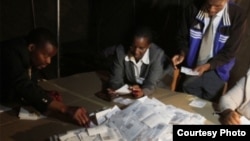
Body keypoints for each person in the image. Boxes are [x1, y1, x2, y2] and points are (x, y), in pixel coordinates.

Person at [0, 27, 89, 126]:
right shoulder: (10, 53)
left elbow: (29, 82)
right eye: (45, 55)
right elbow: (22, 85)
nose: (48, 61)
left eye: (51, 57)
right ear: (31, 48)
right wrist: (64, 108)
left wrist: (44, 94)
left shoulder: (29, 55)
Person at [172, 0, 246, 101]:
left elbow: (230, 51)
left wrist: (208, 66)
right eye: (208, 4)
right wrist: (182, 53)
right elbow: (182, 37)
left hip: (218, 69)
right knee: (186, 100)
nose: (211, 9)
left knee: (208, 105)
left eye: (217, 6)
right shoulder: (192, 8)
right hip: (193, 67)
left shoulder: (237, 15)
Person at [106, 27, 168, 99]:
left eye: (141, 48)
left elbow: (151, 83)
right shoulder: (120, 51)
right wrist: (124, 89)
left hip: (156, 90)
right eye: (133, 46)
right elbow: (116, 80)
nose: (136, 52)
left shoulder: (157, 54)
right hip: (130, 90)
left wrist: (143, 91)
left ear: (149, 46)